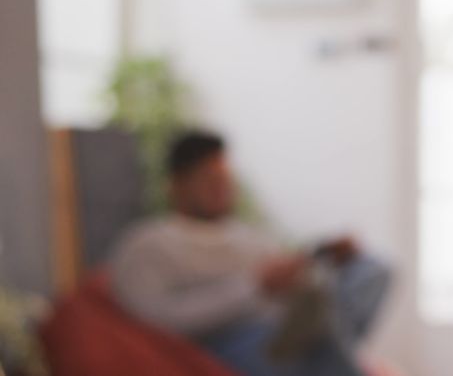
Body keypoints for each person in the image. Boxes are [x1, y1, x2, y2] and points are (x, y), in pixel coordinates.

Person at [110, 131, 391, 376]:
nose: (222, 187)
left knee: (372, 269)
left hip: (284, 320)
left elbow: (288, 281)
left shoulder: (250, 238)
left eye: (225, 178)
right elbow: (159, 319)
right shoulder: (149, 243)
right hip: (231, 341)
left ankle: (314, 328)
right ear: (177, 185)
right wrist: (254, 287)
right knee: (322, 333)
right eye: (209, 179)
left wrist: (324, 256)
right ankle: (314, 332)